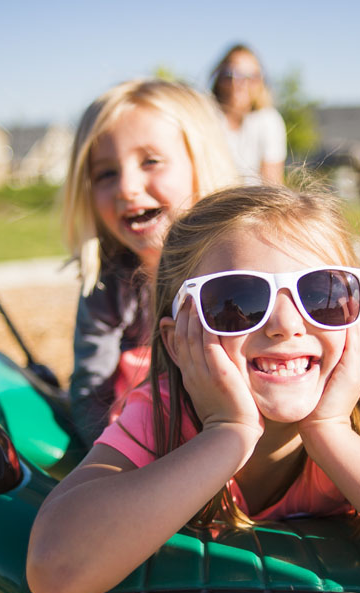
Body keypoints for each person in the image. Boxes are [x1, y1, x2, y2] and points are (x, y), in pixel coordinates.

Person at [28, 184, 360, 593]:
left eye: (324, 294)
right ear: (178, 342)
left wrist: (330, 434)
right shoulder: (160, 417)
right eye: (237, 301)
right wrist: (228, 434)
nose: (287, 324)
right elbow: (56, 572)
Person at [63, 79, 237, 446]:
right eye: (106, 173)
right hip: (141, 446)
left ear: (199, 162)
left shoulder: (241, 274)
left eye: (150, 161)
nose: (126, 187)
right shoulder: (109, 286)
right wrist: (113, 458)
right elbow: (91, 394)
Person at [210, 44, 287, 184]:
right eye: (230, 75)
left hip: (252, 203)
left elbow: (272, 183)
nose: (238, 83)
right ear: (219, 78)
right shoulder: (206, 117)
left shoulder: (269, 120)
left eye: (250, 77)